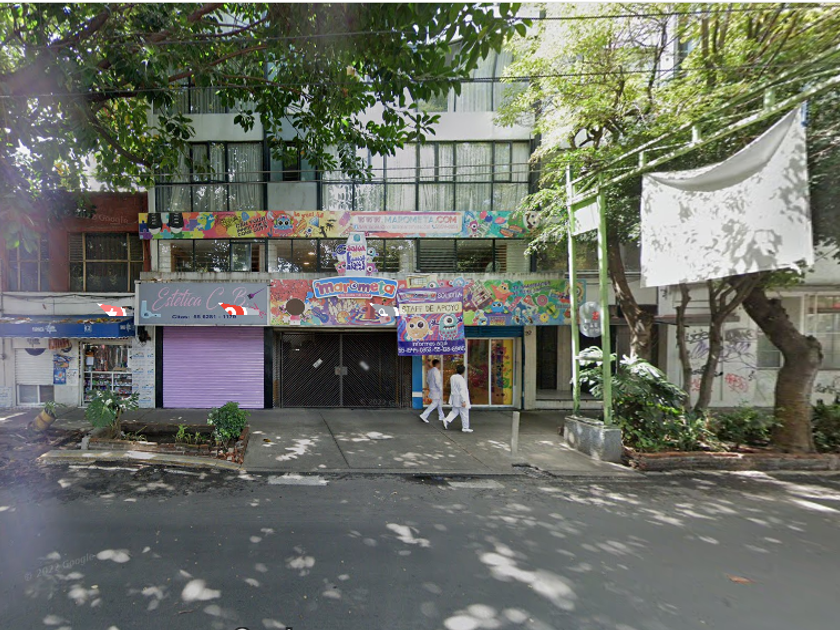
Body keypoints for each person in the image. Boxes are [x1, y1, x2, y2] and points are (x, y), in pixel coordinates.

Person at [443, 364, 472, 433]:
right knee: (464, 413)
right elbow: (462, 390)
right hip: (460, 398)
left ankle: (447, 420)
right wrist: (464, 401)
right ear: (463, 371)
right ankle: (465, 427)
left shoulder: (452, 377)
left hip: (455, 397)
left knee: (455, 411)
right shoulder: (461, 379)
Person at [419, 359, 444, 423]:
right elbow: (437, 381)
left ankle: (441, 416)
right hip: (436, 390)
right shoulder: (436, 371)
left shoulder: (430, 371)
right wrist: (440, 388)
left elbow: (427, 380)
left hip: (432, 388)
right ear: (437, 364)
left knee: (438, 403)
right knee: (435, 403)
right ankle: (424, 415)